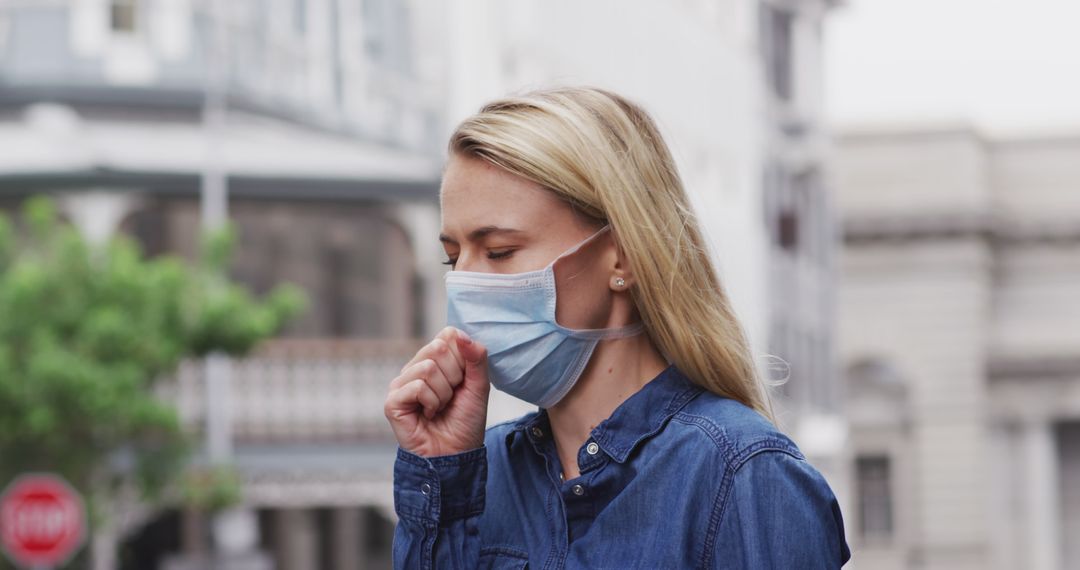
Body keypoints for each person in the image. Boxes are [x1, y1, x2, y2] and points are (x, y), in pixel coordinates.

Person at [384, 86, 851, 569]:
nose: (465, 284)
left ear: (622, 254)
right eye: (453, 257)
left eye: (499, 251)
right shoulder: (483, 471)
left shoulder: (743, 475)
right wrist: (443, 473)